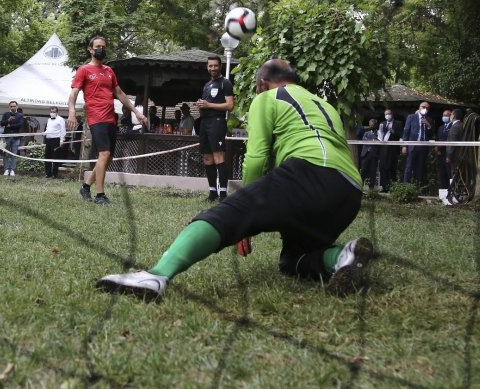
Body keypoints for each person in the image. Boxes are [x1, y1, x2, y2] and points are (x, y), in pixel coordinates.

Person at [96, 59, 371, 300]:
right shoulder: (325, 105)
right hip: (349, 192)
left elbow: (257, 156)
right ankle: (342, 257)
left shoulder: (269, 97)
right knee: (293, 260)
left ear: (263, 83)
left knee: (223, 215)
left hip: (310, 171)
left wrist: (246, 216)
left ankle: (155, 276)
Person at [67, 36, 147, 205]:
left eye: (103, 46)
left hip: (111, 118)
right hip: (96, 118)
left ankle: (86, 187)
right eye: (97, 46)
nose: (101, 49)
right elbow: (73, 93)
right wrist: (72, 112)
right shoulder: (84, 70)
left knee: (108, 157)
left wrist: (136, 112)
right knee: (104, 154)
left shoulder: (109, 71)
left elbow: (119, 93)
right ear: (90, 49)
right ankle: (100, 195)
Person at [197, 55, 234, 201]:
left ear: (220, 66)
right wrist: (200, 105)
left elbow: (230, 106)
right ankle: (213, 192)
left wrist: (209, 105)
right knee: (207, 157)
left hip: (217, 122)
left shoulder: (225, 83)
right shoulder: (207, 85)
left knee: (219, 156)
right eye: (210, 66)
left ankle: (223, 194)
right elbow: (206, 104)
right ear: (207, 67)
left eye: (215, 65)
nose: (212, 68)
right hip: (204, 122)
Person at [401, 101, 433, 187]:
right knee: (409, 166)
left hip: (423, 147)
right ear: (419, 107)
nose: (425, 109)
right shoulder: (411, 117)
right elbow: (406, 131)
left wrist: (428, 125)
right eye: (423, 107)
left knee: (420, 168)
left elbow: (432, 134)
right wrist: (404, 145)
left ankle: (418, 187)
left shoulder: (429, 119)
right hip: (412, 145)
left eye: (427, 108)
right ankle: (405, 187)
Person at [377, 108, 403, 193]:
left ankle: (393, 187)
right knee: (383, 168)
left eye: (389, 114)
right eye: (386, 114)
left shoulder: (398, 123)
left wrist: (394, 132)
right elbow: (379, 136)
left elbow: (402, 135)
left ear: (392, 114)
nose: (387, 115)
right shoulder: (382, 124)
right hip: (383, 149)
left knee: (392, 168)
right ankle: (384, 187)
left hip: (393, 150)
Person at [444, 109, 464, 205]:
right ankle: (458, 194)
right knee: (459, 175)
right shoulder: (462, 125)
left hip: (455, 155)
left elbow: (451, 143)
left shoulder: (455, 127)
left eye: (451, 114)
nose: (450, 116)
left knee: (454, 174)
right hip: (461, 154)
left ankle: (452, 195)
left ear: (454, 116)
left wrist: (448, 155)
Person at [0, 101, 24, 176]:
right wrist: (8, 120)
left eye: (14, 106)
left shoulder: (20, 115)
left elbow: (20, 125)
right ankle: (6, 169)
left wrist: (10, 126)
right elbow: (1, 123)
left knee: (14, 154)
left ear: (17, 106)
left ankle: (12, 170)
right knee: (6, 154)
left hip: (16, 137)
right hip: (7, 137)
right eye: (11, 106)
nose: (13, 107)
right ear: (9, 107)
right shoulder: (6, 114)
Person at [435, 108, 453, 204]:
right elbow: (437, 139)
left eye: (447, 115)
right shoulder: (441, 127)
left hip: (448, 154)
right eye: (444, 115)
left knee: (449, 173)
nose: (444, 117)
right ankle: (443, 194)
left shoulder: (452, 127)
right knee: (442, 174)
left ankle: (451, 193)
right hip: (440, 154)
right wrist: (437, 149)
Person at [43, 106, 66, 178]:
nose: (52, 113)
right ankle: (48, 173)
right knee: (47, 157)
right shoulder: (49, 119)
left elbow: (63, 130)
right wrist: (44, 133)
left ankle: (54, 174)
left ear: (57, 112)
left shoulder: (60, 119)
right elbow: (48, 129)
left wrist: (62, 140)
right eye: (51, 112)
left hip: (56, 140)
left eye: (54, 112)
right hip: (48, 140)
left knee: (55, 157)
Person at [359, 119, 379, 190]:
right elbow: (363, 140)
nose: (371, 126)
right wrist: (372, 141)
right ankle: (359, 186)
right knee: (363, 171)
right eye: (370, 124)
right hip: (365, 154)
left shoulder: (378, 133)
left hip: (373, 155)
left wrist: (370, 140)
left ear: (375, 125)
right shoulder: (366, 133)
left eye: (373, 125)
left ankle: (371, 188)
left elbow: (377, 141)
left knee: (372, 172)